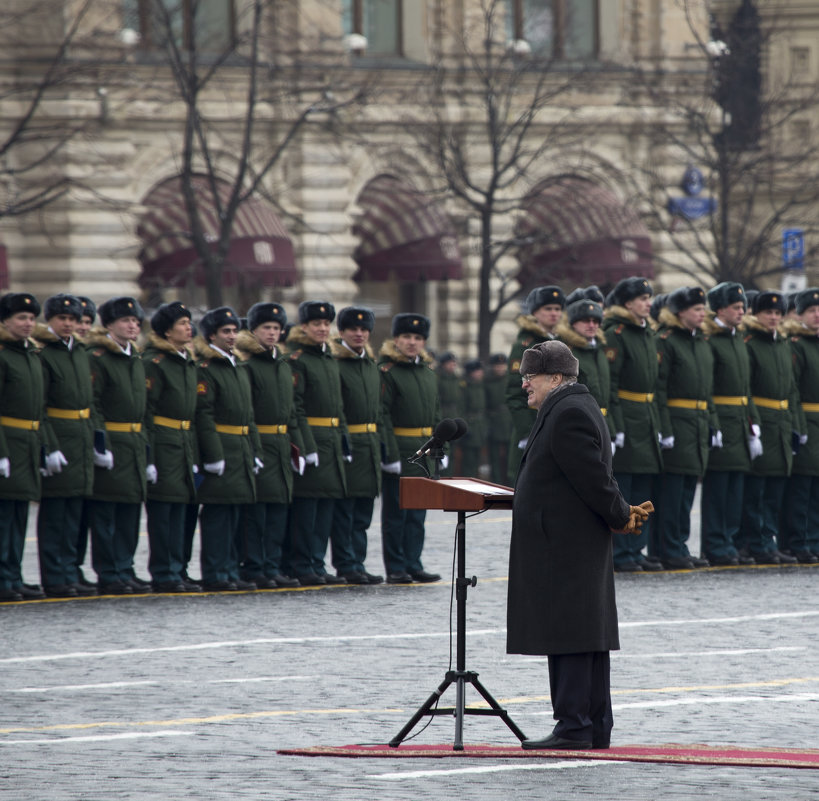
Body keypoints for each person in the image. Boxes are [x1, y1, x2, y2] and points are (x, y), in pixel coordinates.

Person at [506, 340, 650, 750]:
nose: (523, 386)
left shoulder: (567, 412)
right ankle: (592, 726)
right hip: (569, 542)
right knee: (585, 635)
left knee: (569, 634)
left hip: (564, 545)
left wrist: (621, 513)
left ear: (554, 377)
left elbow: (593, 479)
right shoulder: (571, 406)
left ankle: (573, 726)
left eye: (528, 378)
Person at [234, 301, 303, 588]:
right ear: (254, 330)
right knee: (257, 512)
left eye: (276, 328)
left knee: (278, 510)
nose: (272, 333)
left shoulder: (283, 365)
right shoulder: (248, 365)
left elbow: (292, 411)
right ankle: (254, 566)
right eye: (266, 328)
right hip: (259, 441)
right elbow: (245, 408)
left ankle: (272, 565)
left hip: (281, 442)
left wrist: (298, 446)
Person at [194, 305, 261, 591]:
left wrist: (255, 451)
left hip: (241, 448)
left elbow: (249, 415)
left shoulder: (239, 366)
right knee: (218, 517)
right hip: (223, 448)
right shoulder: (207, 370)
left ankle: (231, 569)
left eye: (235, 331)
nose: (232, 336)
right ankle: (215, 572)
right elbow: (204, 415)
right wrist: (213, 454)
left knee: (235, 516)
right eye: (226, 332)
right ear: (211, 336)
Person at [86, 296, 149, 595]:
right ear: (109, 325)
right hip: (113, 441)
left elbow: (143, 408)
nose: (132, 325)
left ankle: (125, 568)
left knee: (129, 514)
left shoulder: (136, 358)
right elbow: (94, 403)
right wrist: (101, 444)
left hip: (134, 443)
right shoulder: (98, 357)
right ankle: (109, 572)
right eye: (126, 321)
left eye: (136, 321)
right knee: (106, 514)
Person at [36, 294, 96, 597]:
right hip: (60, 437)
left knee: (75, 513)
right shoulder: (44, 353)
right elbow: (40, 405)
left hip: (82, 438)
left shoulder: (79, 352)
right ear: (51, 320)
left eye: (73, 319)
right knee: (56, 514)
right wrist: (50, 446)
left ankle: (71, 570)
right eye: (63, 319)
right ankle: (55, 575)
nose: (69, 324)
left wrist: (99, 442)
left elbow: (90, 403)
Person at [602, 276, 663, 571]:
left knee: (643, 486)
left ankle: (637, 549)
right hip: (626, 414)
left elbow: (656, 385)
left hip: (647, 417)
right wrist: (617, 425)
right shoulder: (617, 332)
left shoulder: (647, 332)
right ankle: (622, 552)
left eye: (649, 298)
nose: (648, 303)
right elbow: (610, 385)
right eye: (642, 299)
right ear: (627, 303)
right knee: (624, 487)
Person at [287, 301, 348, 586]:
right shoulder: (297, 360)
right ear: (304, 327)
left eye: (326, 324)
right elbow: (295, 408)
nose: (323, 329)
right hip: (313, 440)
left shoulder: (329, 358)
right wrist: (306, 447)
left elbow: (339, 407)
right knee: (306, 510)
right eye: (316, 324)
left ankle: (317, 562)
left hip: (332, 442)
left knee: (325, 510)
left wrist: (344, 443)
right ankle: (301, 564)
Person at [654, 287, 716, 569]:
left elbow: (708, 390)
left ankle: (679, 544)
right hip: (678, 423)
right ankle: (669, 547)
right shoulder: (667, 341)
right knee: (673, 492)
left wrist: (712, 423)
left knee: (688, 491)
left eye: (703, 309)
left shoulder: (701, 341)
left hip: (698, 423)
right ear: (680, 312)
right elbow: (660, 388)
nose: (702, 313)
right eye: (696, 309)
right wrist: (665, 428)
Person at [379, 313, 442, 584]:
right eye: (406, 337)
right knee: (397, 513)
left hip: (424, 449)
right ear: (396, 339)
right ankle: (396, 567)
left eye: (417, 338)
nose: (412, 342)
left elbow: (437, 415)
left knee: (418, 513)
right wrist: (389, 454)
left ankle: (413, 562)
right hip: (401, 447)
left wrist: (441, 448)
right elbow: (382, 415)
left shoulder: (427, 373)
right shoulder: (387, 372)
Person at [739, 291, 801, 564]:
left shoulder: (783, 344)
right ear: (756, 314)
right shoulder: (750, 343)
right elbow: (746, 388)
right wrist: (753, 426)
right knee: (757, 490)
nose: (774, 317)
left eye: (778, 313)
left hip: (782, 423)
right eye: (768, 313)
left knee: (775, 489)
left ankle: (769, 538)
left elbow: (792, 389)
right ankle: (756, 542)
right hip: (762, 420)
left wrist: (797, 426)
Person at [142, 301, 200, 592]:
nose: (188, 327)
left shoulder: (186, 359)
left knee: (183, 510)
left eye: (189, 322)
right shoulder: (156, 363)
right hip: (164, 442)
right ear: (166, 331)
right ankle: (164, 571)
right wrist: (149, 454)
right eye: (182, 323)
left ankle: (179, 568)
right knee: (164, 511)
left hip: (184, 441)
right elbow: (147, 412)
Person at [701, 282, 759, 566]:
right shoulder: (711, 340)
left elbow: (746, 387)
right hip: (721, 421)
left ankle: (730, 542)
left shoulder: (739, 339)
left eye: (742, 307)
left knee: (735, 489)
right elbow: (706, 387)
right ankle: (715, 543)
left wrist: (754, 423)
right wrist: (713, 423)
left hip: (739, 421)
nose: (742, 311)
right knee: (718, 489)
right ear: (720, 309)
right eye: (736, 307)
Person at [0, 292, 48, 602]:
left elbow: (39, 408)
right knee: (4, 516)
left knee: (19, 514)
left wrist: (45, 448)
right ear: (4, 321)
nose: (28, 323)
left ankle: (13, 574)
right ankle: (3, 578)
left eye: (31, 318)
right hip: (8, 441)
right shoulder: (4, 354)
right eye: (21, 318)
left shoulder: (31, 353)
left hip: (28, 442)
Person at [330, 305, 384, 584]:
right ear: (341, 332)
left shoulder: (370, 364)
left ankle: (358, 561)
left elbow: (379, 410)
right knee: (345, 510)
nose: (359, 334)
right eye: (353, 329)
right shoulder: (336, 364)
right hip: (348, 443)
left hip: (369, 444)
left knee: (363, 510)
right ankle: (346, 563)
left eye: (364, 330)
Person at [505, 285, 565, 483]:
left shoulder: (565, 342)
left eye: (557, 309)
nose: (554, 314)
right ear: (535, 313)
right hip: (533, 422)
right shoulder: (525, 344)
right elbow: (514, 393)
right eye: (548, 309)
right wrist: (526, 432)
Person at [780, 288, 819, 562]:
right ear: (800, 315)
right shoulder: (796, 344)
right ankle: (798, 540)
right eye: (811, 311)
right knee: (801, 488)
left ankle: (814, 539)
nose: (817, 315)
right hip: (806, 420)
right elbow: (791, 388)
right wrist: (797, 426)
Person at [556, 298, 617, 443]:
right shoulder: (567, 352)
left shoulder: (600, 351)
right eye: (586, 321)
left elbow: (607, 397)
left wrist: (612, 432)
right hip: (578, 425)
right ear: (573, 323)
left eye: (595, 321)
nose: (591, 325)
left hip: (602, 425)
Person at [72, 295, 97, 589]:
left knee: (86, 515)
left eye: (88, 322)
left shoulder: (89, 355)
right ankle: (66, 568)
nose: (83, 327)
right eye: (79, 322)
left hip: (87, 439)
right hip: (71, 440)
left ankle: (76, 566)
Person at [484, 353, 512, 484]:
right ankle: (496, 483)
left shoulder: (510, 380)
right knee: (494, 457)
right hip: (494, 422)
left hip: (509, 422)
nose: (500, 368)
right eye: (497, 366)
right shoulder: (487, 381)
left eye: (502, 366)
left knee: (509, 457)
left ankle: (510, 484)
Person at [436, 352, 462, 475]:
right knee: (444, 450)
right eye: (450, 363)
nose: (453, 365)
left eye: (454, 363)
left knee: (454, 451)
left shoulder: (455, 378)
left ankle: (450, 475)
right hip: (443, 415)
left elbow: (459, 399)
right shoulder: (438, 378)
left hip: (454, 416)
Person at [460, 359, 487, 478]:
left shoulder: (480, 385)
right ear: (471, 372)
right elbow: (461, 409)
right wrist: (465, 427)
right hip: (470, 426)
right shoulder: (465, 387)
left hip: (480, 427)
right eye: (477, 371)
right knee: (469, 462)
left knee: (477, 461)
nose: (480, 373)